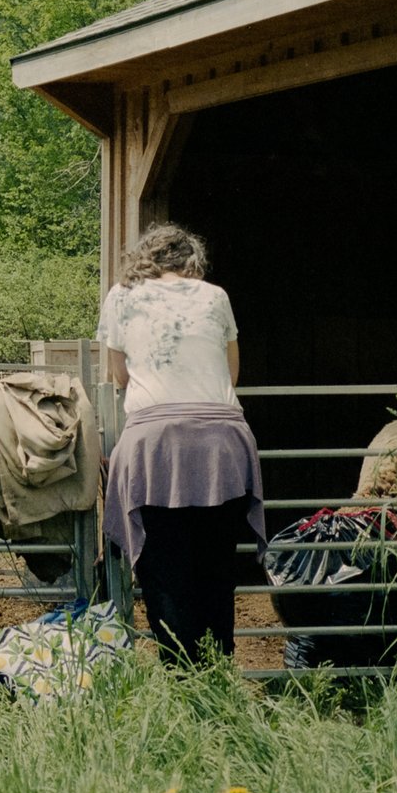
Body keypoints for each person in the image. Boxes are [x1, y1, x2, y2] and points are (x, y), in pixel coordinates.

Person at [96, 223, 261, 666]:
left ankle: (180, 676)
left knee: (165, 570)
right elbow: (231, 374)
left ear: (142, 260)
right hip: (222, 445)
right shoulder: (216, 296)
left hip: (157, 446)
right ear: (192, 262)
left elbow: (118, 376)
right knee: (216, 569)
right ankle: (217, 675)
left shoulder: (121, 297)